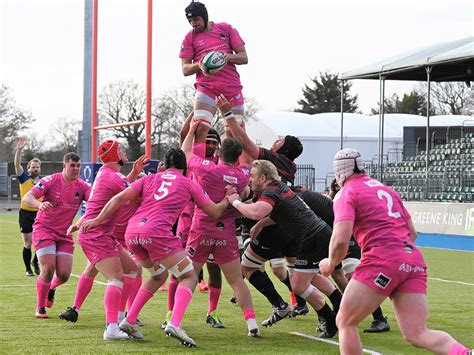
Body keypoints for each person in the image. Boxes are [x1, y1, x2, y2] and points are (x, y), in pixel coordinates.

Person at [319, 148, 471, 355]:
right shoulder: (387, 190)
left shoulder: (347, 193)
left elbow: (340, 240)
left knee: (345, 321)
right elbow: (412, 233)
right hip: (413, 260)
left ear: (339, 172)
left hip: (382, 259)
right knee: (417, 333)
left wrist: (329, 263)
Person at [81, 147, 231, 347]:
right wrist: (228, 199)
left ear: (166, 165)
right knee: (189, 276)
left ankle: (129, 320)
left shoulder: (149, 179)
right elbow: (213, 212)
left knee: (157, 275)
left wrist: (98, 219)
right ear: (184, 166)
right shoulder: (189, 183)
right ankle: (175, 323)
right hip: (157, 234)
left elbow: (118, 198)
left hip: (133, 233)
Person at [216, 94, 309, 319]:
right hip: (284, 223)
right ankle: (317, 307)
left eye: (280, 140)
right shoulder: (287, 165)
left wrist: (228, 117)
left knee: (246, 268)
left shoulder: (273, 160)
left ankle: (281, 304)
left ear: (283, 148)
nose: (275, 140)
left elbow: (246, 148)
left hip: (271, 223)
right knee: (296, 273)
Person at [228, 160, 338, 338]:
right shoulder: (279, 187)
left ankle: (330, 319)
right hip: (316, 235)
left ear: (263, 178)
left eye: (253, 176)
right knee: (309, 278)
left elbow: (255, 212)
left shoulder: (271, 191)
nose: (250, 180)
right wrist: (261, 224)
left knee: (299, 284)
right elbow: (281, 213)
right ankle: (335, 310)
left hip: (312, 238)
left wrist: (235, 202)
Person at [182, 122, 261, 337]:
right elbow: (246, 156)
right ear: (237, 156)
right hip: (226, 232)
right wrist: (236, 128)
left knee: (189, 276)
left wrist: (191, 131)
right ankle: (252, 322)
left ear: (218, 152)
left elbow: (186, 153)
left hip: (202, 229)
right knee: (236, 281)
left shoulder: (208, 168)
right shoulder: (244, 173)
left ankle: (175, 320)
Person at [74, 140, 147, 341]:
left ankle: (121, 319)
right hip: (95, 234)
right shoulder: (112, 175)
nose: (124, 151)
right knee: (116, 278)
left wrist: (133, 174)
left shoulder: (107, 174)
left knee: (132, 270)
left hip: (102, 233)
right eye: (121, 149)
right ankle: (111, 329)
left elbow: (122, 186)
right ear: (114, 155)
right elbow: (133, 195)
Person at [22, 152, 91, 319]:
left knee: (64, 275)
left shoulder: (82, 186)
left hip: (65, 233)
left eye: (78, 166)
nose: (75, 169)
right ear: (64, 166)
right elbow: (27, 197)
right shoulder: (51, 180)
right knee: (47, 269)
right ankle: (40, 308)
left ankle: (51, 288)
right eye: (72, 166)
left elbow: (95, 203)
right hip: (44, 229)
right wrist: (40, 204)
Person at [180, 1, 248, 145]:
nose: (193, 24)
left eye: (196, 19)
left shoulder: (226, 29)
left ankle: (231, 167)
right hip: (207, 87)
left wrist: (228, 57)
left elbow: (244, 57)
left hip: (231, 87)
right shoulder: (189, 38)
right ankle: (196, 165)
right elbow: (185, 69)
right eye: (190, 21)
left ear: (205, 17)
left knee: (234, 134)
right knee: (200, 128)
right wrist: (200, 64)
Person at [14, 137, 41, 276]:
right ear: (29, 168)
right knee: (28, 243)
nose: (35, 169)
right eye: (33, 167)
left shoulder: (43, 182)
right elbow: (17, 165)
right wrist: (19, 150)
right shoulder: (24, 178)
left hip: (40, 214)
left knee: (42, 241)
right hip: (25, 213)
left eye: (37, 167)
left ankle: (35, 261)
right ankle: (28, 269)